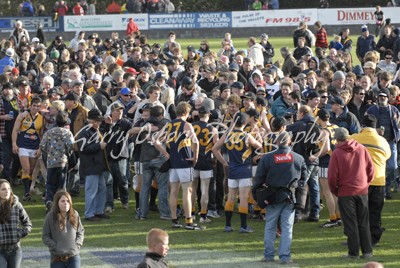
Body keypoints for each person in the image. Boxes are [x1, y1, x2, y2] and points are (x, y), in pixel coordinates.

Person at [253, 131, 307, 264]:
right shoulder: (298, 158)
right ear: (290, 142)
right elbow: (304, 179)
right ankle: (285, 256)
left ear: (276, 142)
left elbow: (258, 179)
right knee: (287, 227)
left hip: (272, 197)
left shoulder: (267, 158)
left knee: (270, 226)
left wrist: (257, 195)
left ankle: (268, 255)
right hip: (290, 197)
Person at [328, 127, 374, 259]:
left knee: (350, 223)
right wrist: (366, 183)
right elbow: (371, 168)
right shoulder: (361, 148)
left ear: (336, 139)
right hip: (362, 190)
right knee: (363, 222)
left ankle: (353, 253)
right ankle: (367, 252)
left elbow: (332, 176)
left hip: (346, 192)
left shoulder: (337, 153)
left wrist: (334, 190)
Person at [213, 112, 262, 233]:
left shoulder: (227, 134)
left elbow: (214, 149)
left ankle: (228, 225)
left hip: (232, 169)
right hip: (244, 169)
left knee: (230, 197)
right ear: (245, 123)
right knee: (244, 198)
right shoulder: (246, 136)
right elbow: (260, 146)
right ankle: (243, 226)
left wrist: (224, 162)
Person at [154, 102, 200, 230]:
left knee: (173, 192)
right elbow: (195, 142)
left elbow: (156, 140)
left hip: (172, 163)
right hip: (184, 162)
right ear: (186, 113)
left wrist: (165, 154)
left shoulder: (169, 124)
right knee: (187, 191)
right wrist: (195, 157)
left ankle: (174, 220)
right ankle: (189, 221)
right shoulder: (186, 125)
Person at [351, 114, 391, 246]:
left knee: (360, 211)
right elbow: (388, 156)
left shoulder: (355, 139)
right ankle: (374, 238)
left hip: (360, 181)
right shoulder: (382, 141)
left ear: (362, 125)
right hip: (379, 181)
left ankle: (357, 238)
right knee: (375, 211)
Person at [76, 109, 110, 221]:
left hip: (97, 165)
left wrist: (108, 126)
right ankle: (89, 214)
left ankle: (98, 211)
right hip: (91, 166)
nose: (100, 123)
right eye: (98, 121)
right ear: (93, 121)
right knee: (91, 191)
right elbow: (83, 148)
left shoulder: (93, 130)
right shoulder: (84, 132)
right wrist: (98, 146)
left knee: (102, 189)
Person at [366, 88, 400, 199]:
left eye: (384, 96)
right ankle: (380, 191)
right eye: (380, 96)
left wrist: (397, 137)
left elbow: (398, 125)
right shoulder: (371, 110)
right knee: (375, 167)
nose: (382, 98)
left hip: (390, 142)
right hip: (376, 142)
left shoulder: (394, 110)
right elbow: (366, 124)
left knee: (392, 166)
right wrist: (375, 131)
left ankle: (387, 187)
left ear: (388, 97)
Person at [40, 111, 74, 213]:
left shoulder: (49, 132)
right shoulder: (67, 133)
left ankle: (49, 202)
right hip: (62, 163)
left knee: (50, 184)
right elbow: (71, 147)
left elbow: (42, 146)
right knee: (61, 186)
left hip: (51, 162)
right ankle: (60, 205)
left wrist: (48, 153)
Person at [12, 96, 44, 202]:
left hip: (34, 146)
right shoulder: (22, 116)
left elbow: (41, 135)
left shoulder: (41, 117)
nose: (35, 108)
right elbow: (15, 130)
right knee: (26, 168)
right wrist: (14, 144)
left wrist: (40, 148)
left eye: (38, 106)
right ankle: (26, 194)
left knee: (31, 170)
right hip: (23, 145)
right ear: (30, 105)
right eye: (34, 106)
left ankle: (28, 192)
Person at [42, 190, 84, 268]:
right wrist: (55, 246)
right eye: (63, 201)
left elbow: (80, 231)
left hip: (73, 257)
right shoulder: (50, 216)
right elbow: (45, 236)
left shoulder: (75, 214)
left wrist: (77, 244)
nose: (66, 203)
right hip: (57, 258)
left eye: (68, 201)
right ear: (57, 203)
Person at [0, 179, 32, 267]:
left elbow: (27, 223)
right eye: (3, 189)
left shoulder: (17, 205)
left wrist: (19, 234)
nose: (7, 191)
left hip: (15, 250)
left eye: (8, 189)